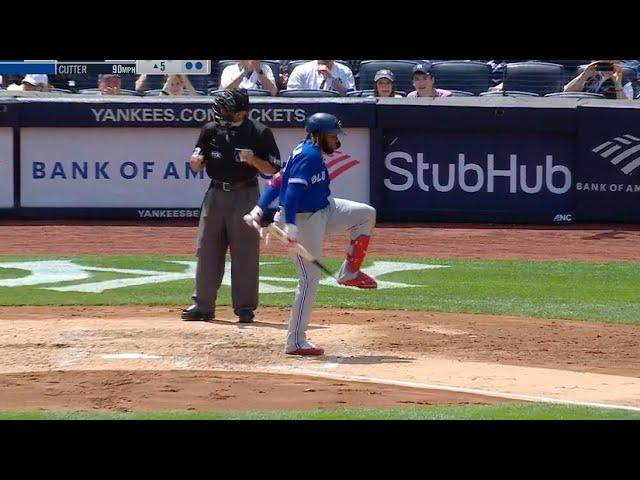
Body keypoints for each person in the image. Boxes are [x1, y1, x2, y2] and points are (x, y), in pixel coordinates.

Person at [244, 113, 377, 356]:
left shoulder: (305, 149)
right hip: (303, 220)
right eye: (332, 136)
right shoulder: (309, 155)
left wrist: (259, 207)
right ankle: (295, 341)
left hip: (324, 209)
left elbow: (277, 180)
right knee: (309, 281)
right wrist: (291, 226)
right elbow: (291, 193)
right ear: (318, 135)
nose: (337, 142)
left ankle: (350, 272)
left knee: (366, 214)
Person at [181, 88, 281, 324]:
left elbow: (273, 169)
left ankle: (244, 308)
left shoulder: (259, 132)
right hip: (215, 194)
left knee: (245, 253)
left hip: (245, 194)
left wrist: (253, 160)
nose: (222, 113)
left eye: (227, 109)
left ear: (241, 112)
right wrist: (194, 162)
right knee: (206, 249)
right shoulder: (210, 130)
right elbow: (197, 162)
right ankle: (203, 306)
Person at [563, 60, 634, 99]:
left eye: (610, 62)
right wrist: (584, 76)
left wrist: (617, 84)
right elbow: (566, 93)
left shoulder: (624, 81)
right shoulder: (588, 75)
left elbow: (625, 105)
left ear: (618, 62)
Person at [286, 60, 355, 96]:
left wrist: (332, 78)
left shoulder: (345, 71)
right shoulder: (300, 70)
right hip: (306, 109)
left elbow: (350, 97)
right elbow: (292, 96)